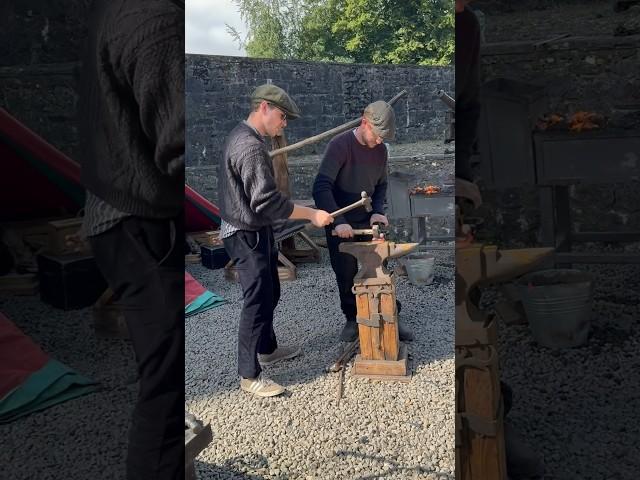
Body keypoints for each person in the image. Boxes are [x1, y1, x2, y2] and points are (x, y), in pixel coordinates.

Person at [79, 1, 185, 479]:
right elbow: (179, 145)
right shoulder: (153, 17)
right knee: (167, 380)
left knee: (166, 368)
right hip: (133, 219)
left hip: (125, 208)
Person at [218, 84, 334, 398]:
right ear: (265, 108)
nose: (284, 124)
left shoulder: (244, 137)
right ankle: (249, 374)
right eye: (283, 116)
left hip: (255, 229)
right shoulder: (249, 146)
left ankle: (267, 348)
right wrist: (310, 215)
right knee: (256, 301)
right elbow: (266, 202)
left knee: (271, 290)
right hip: (244, 233)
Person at [312, 101, 414, 343]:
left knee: (379, 268)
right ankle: (352, 317)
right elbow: (321, 187)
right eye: (378, 135)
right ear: (364, 123)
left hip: (367, 219)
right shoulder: (340, 146)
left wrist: (378, 211)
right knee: (345, 273)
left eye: (384, 137)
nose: (380, 141)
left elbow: (380, 186)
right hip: (340, 219)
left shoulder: (381, 150)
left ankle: (391, 314)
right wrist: (338, 220)